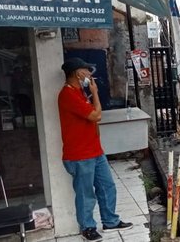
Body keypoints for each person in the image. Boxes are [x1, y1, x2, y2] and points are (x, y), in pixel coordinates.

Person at [57, 57, 133, 241]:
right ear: (78, 73)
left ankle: (110, 220)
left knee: (107, 186)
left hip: (94, 150)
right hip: (80, 154)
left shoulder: (79, 92)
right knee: (85, 193)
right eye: (87, 71)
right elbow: (96, 116)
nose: (90, 75)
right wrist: (95, 93)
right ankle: (87, 227)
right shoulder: (68, 95)